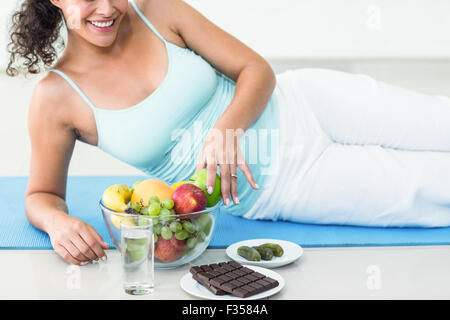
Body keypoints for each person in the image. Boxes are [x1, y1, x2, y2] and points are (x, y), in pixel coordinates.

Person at [7, 0, 450, 266]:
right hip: (283, 185)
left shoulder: (157, 10)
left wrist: (227, 128)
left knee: (438, 118)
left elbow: (255, 68)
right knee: (433, 189)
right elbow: (40, 195)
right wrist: (57, 221)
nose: (105, 9)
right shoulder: (56, 98)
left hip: (306, 101)